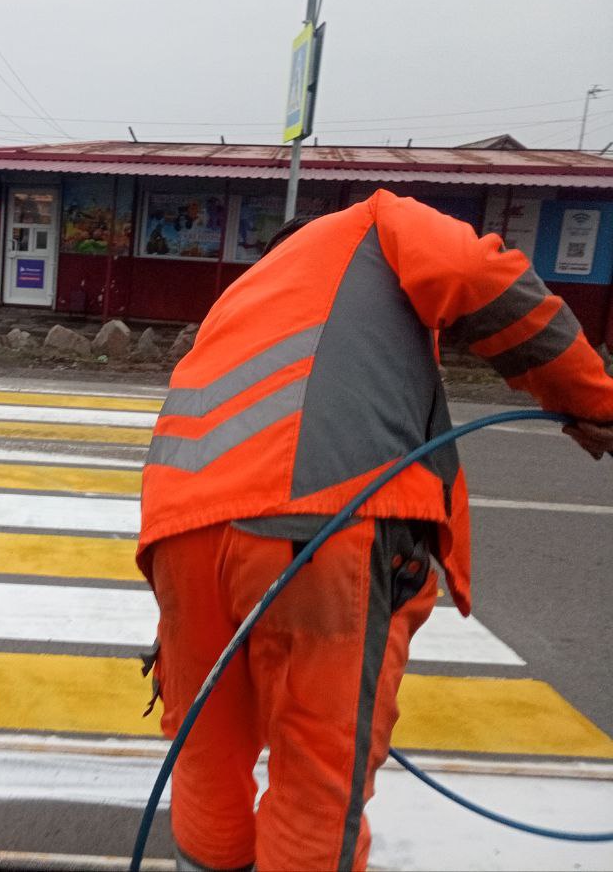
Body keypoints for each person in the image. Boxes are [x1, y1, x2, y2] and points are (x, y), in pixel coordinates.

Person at [138, 189, 613, 872]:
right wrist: (593, 399)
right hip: (319, 526)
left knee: (207, 756)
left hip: (178, 537)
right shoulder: (373, 223)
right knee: (315, 780)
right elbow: (475, 273)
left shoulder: (241, 300)